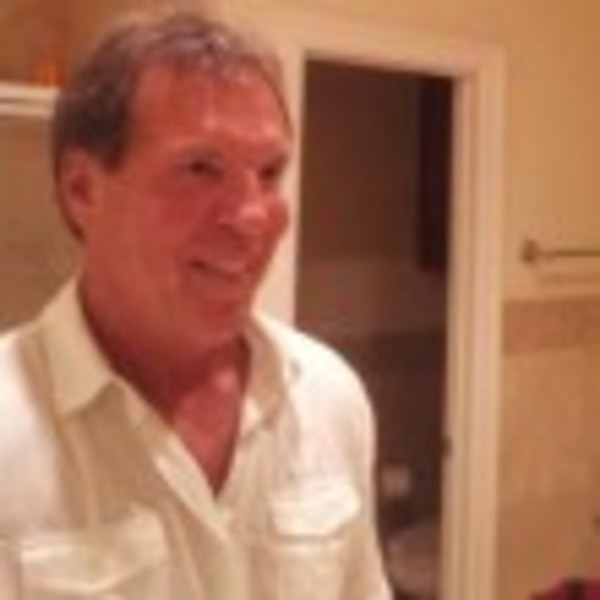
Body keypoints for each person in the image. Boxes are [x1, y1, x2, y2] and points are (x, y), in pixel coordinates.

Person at [0, 8, 392, 599]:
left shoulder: (329, 398)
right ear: (83, 191)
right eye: (201, 168)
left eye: (270, 172)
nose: (253, 216)